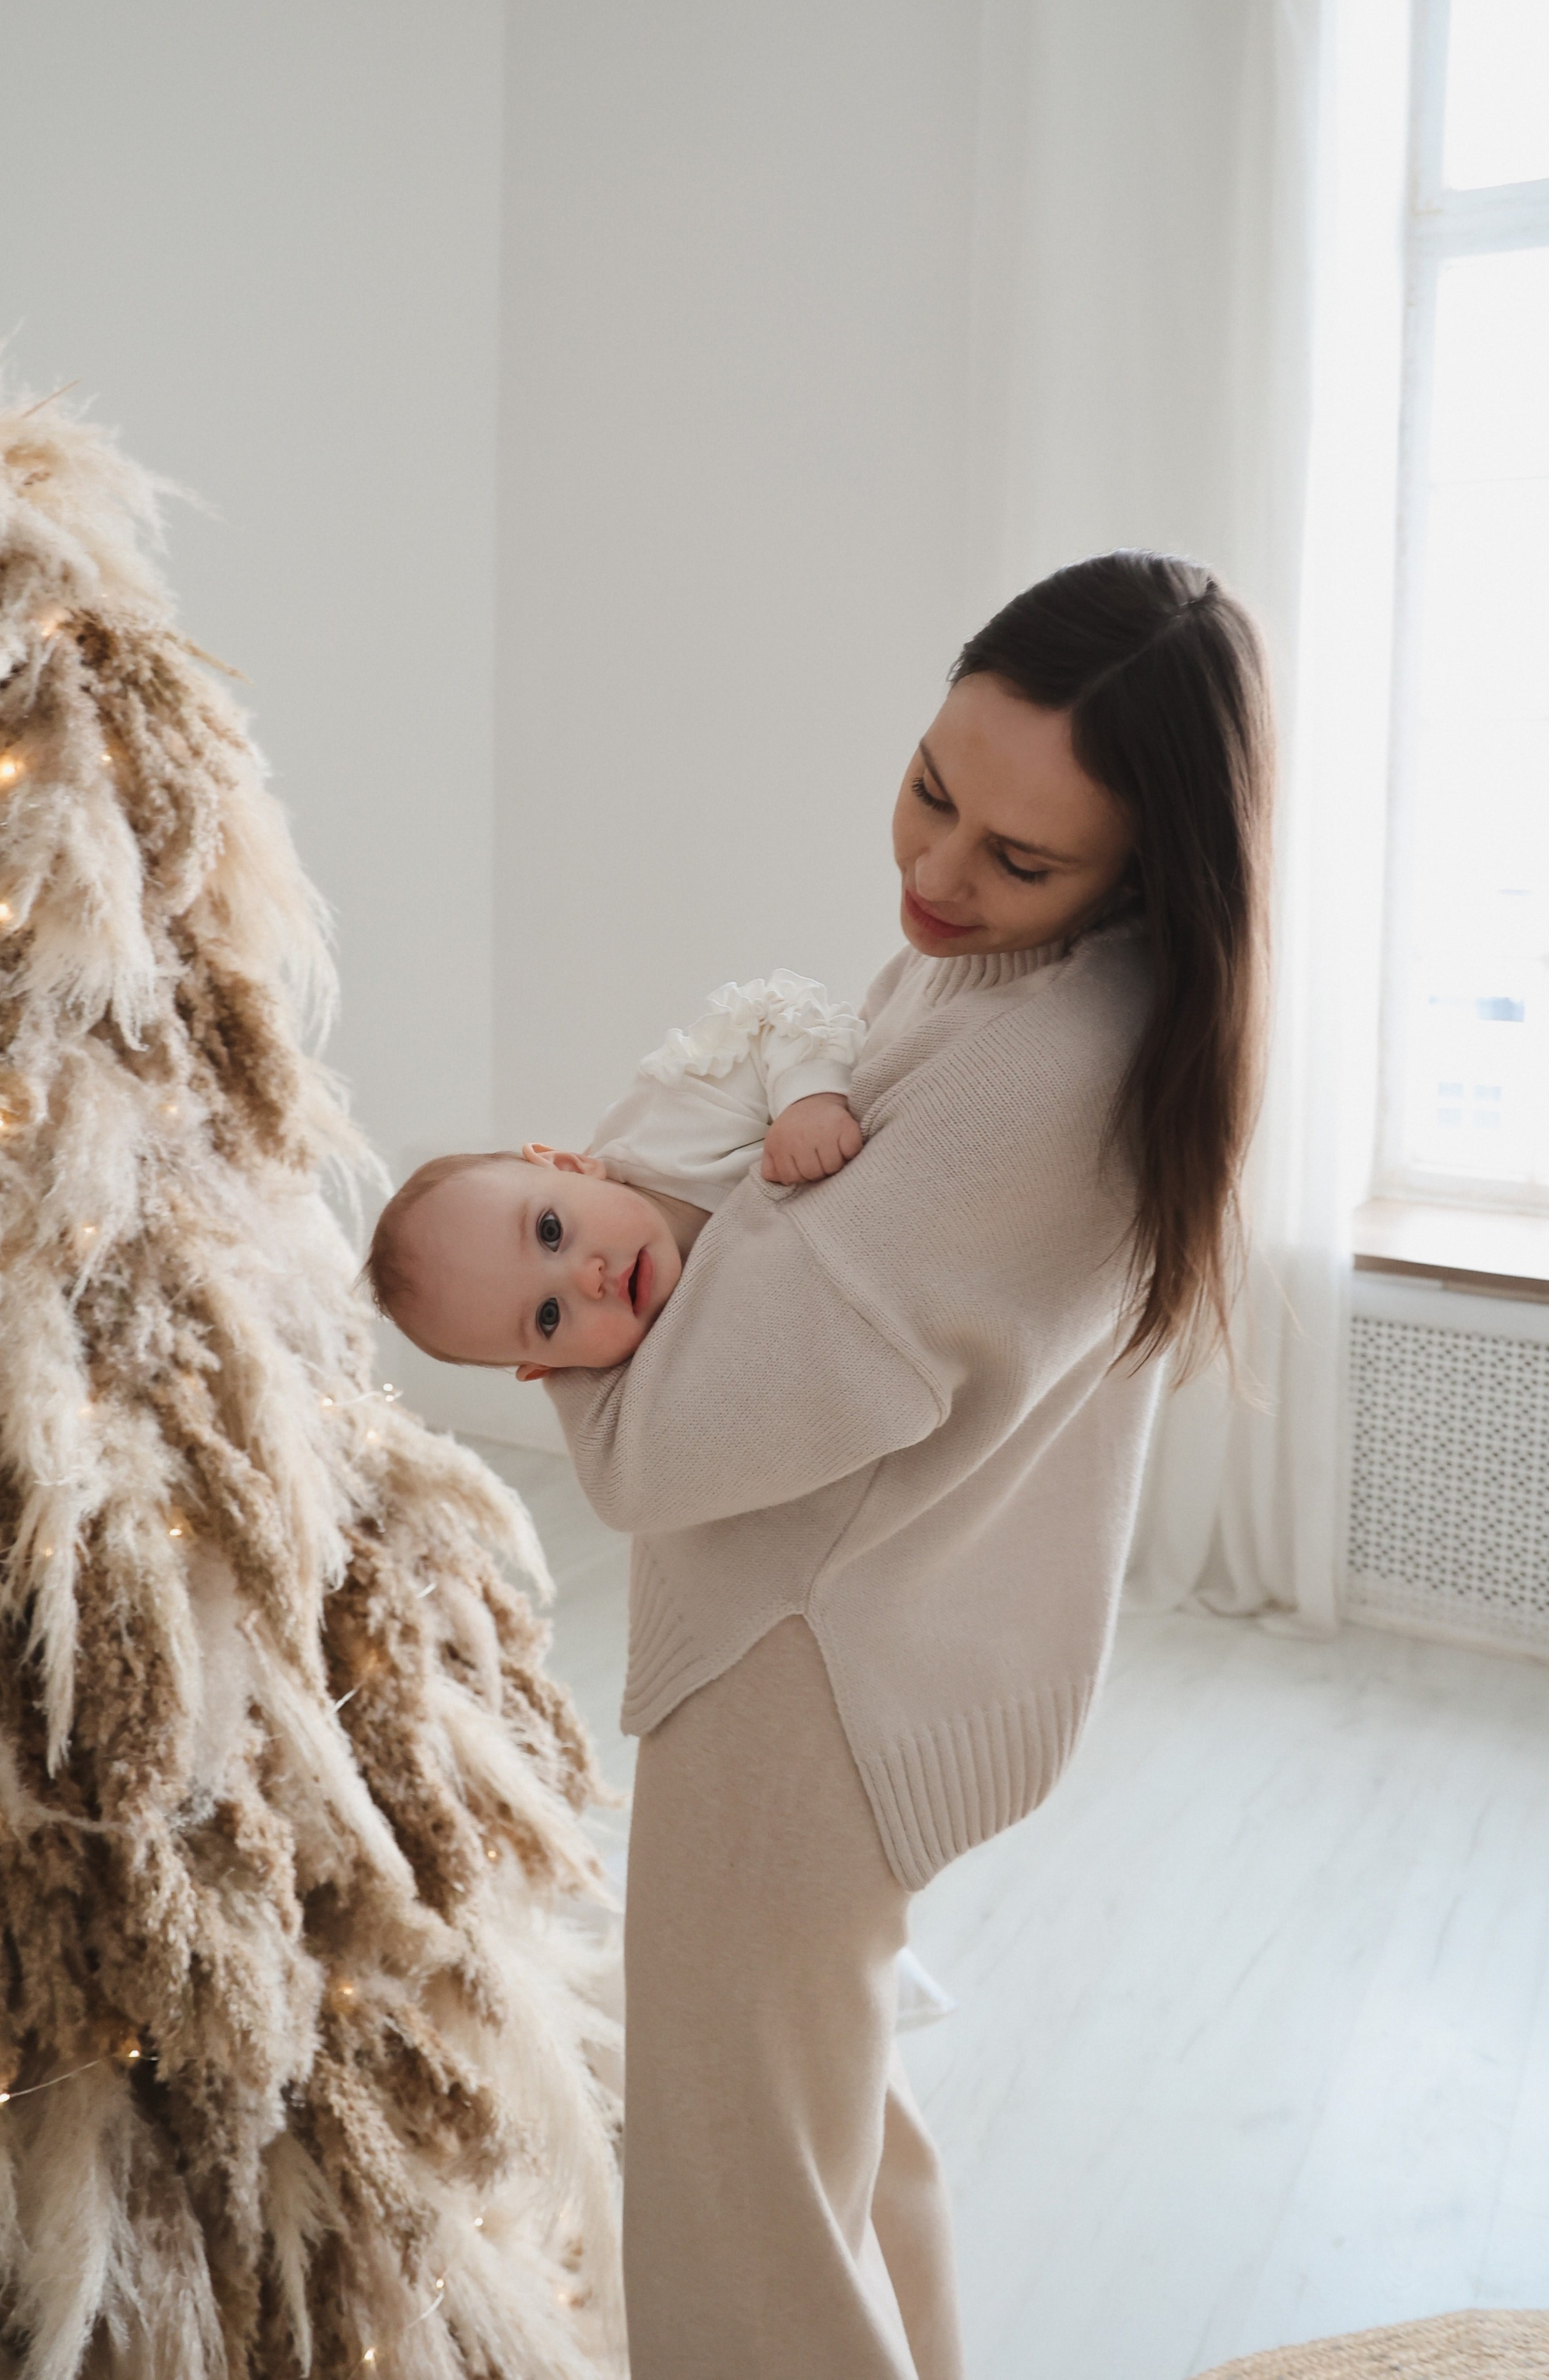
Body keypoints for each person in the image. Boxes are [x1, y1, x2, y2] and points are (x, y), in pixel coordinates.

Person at [537, 551, 1275, 2380]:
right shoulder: (1061, 988)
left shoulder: (1039, 1072)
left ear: (1145, 870)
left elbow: (664, 1442)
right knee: (830, 2145)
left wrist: (556, 1252)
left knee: (741, 2230)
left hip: (806, 1672)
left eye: (1017, 857)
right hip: (877, 1648)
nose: (936, 876)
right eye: (930, 788)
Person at [363, 969, 872, 1375]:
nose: (589, 1278)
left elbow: (774, 1010)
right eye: (548, 1316)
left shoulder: (675, 1117)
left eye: (550, 1231)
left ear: (571, 1166)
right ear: (550, 1368)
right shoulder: (671, 1373)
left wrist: (809, 1097)